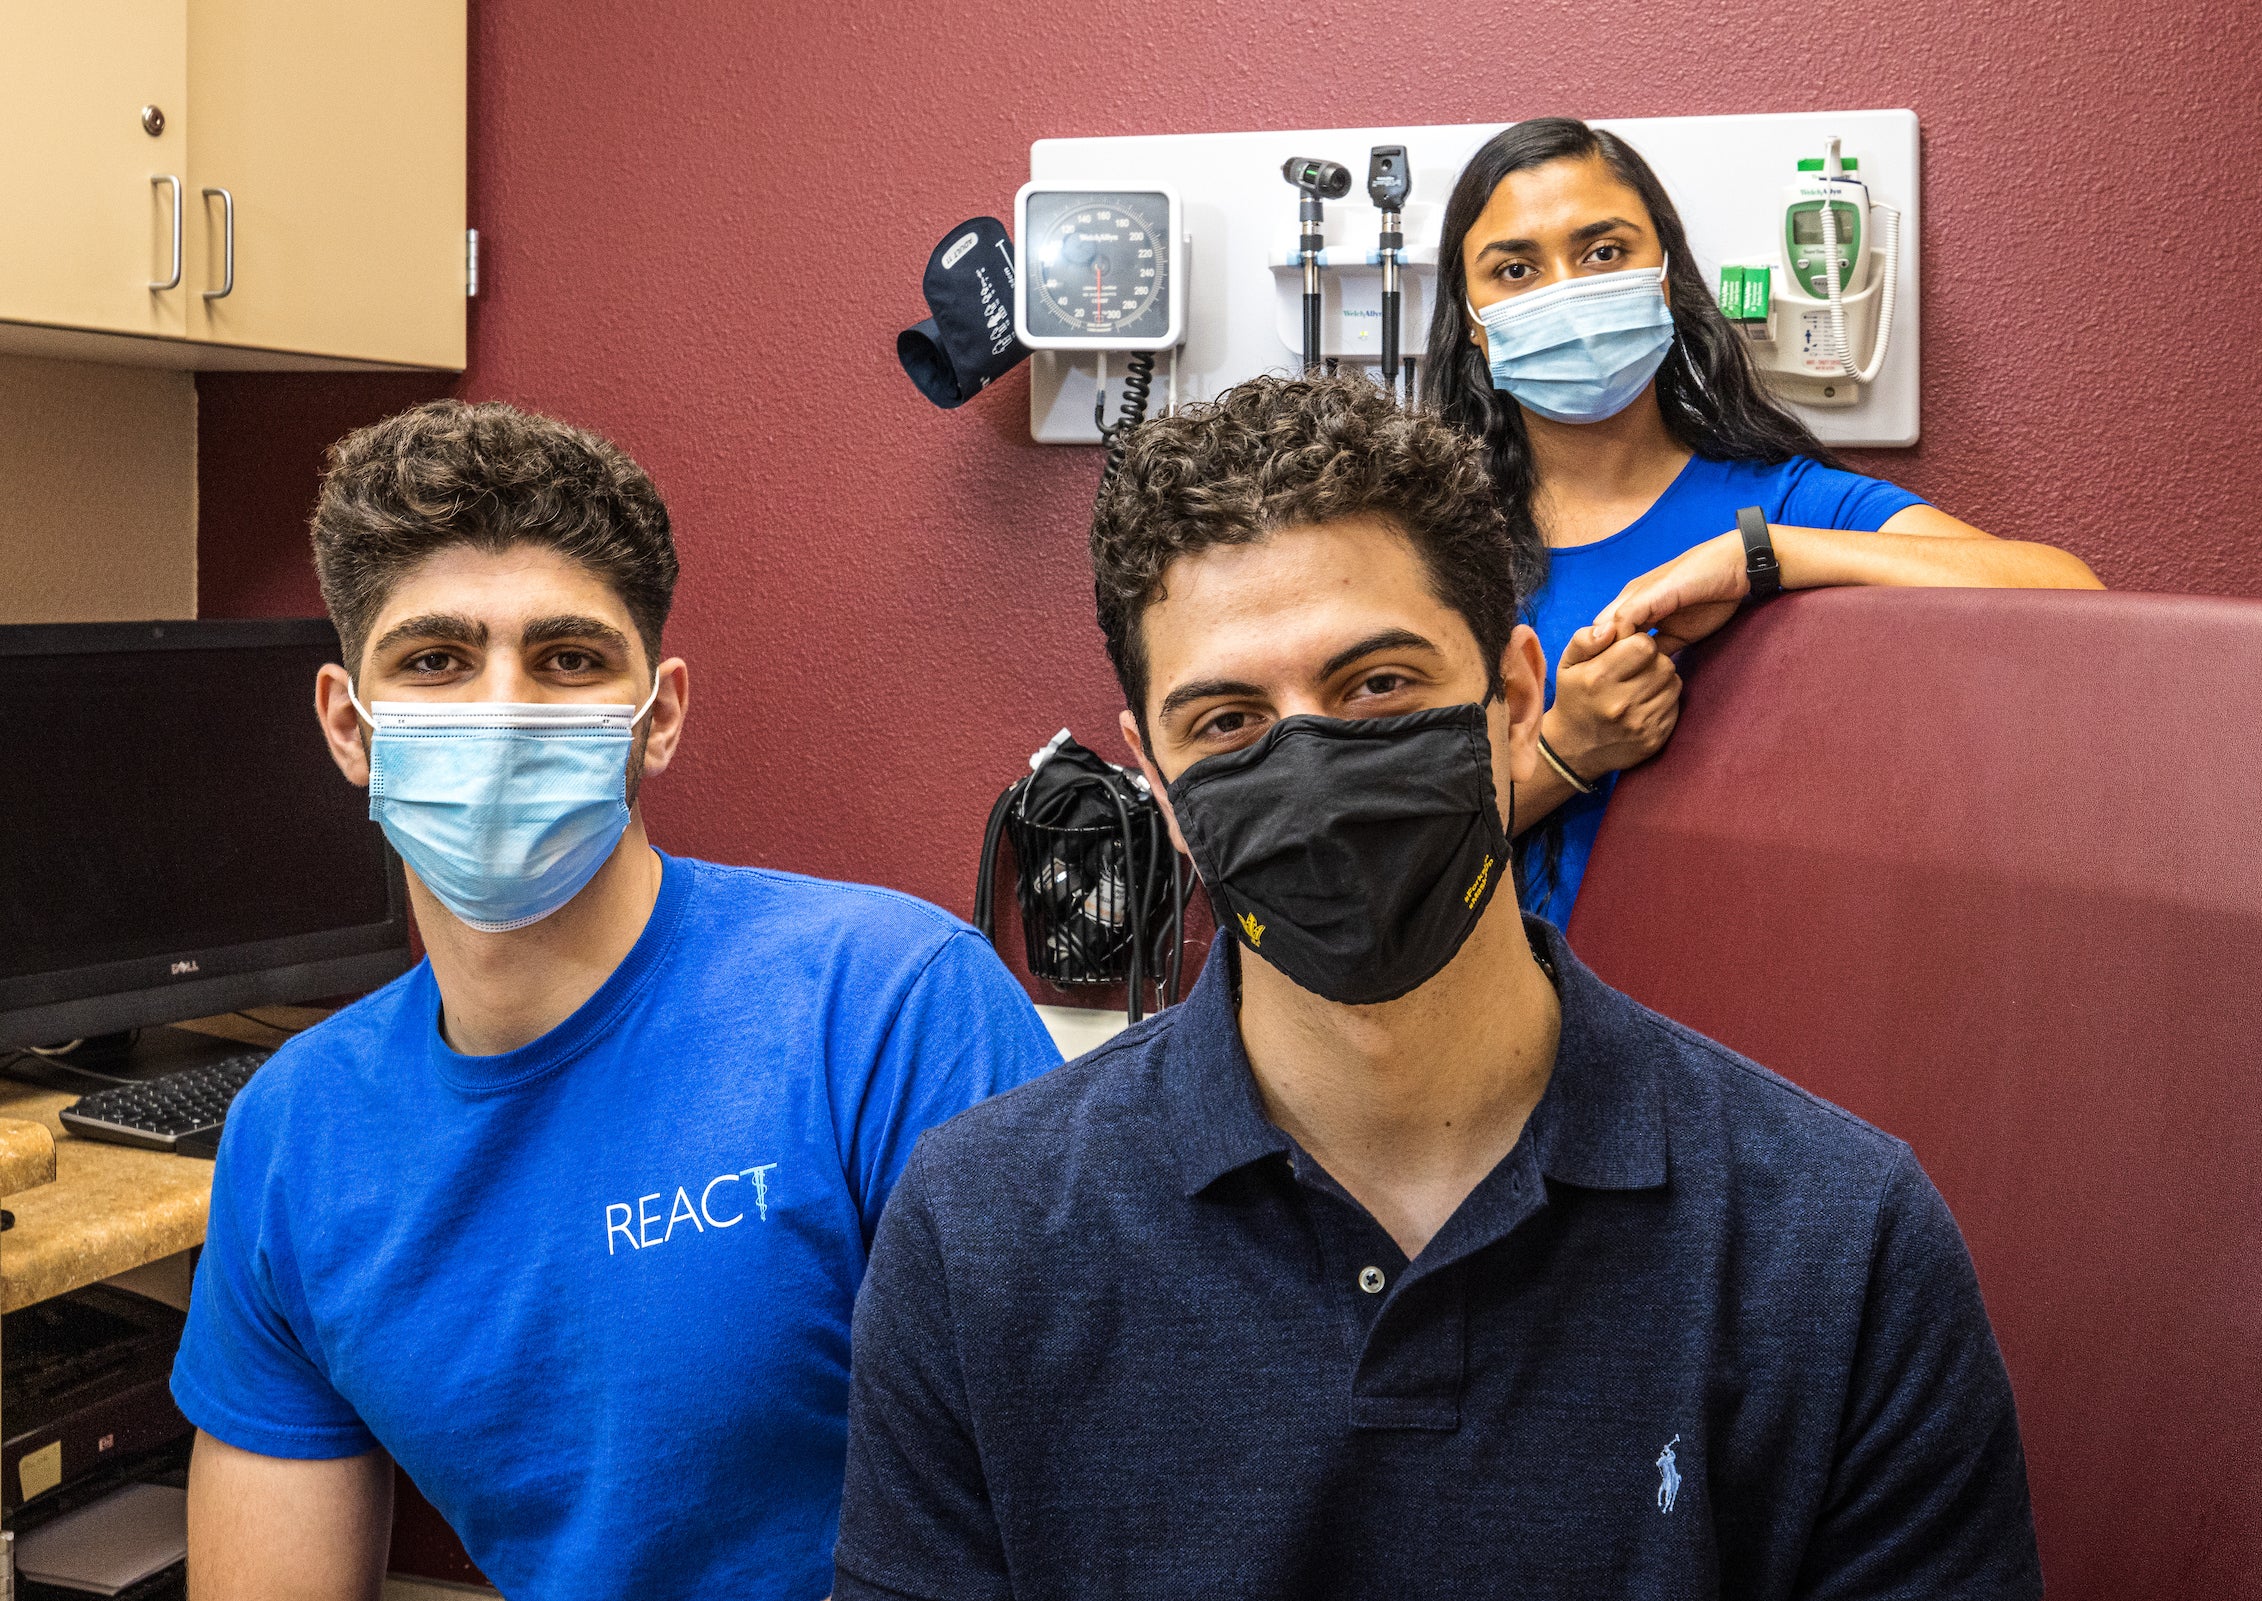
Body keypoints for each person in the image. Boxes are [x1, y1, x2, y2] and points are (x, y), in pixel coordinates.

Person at [833, 373, 2041, 1599]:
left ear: (1515, 697)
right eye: (1230, 723)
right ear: (1156, 780)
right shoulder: (975, 1233)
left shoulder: (1838, 1244)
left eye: (1378, 687)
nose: (1308, 768)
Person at [170, 401, 1061, 1601]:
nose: (502, 708)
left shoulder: (888, 1011)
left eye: (568, 659)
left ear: (661, 714)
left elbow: (1082, 1506)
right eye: (435, 660)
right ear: (349, 724)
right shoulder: (295, 1136)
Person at [1427, 116, 2103, 927]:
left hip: (1730, 1016)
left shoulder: (1779, 503)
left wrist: (1763, 553)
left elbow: (2065, 592)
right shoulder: (1428, 543)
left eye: (1604, 252)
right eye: (1515, 269)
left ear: (1666, 276)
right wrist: (1566, 756)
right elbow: (1374, 866)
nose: (1568, 291)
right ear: (1472, 316)